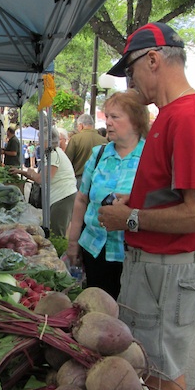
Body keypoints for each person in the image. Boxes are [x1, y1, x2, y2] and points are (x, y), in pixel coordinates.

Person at [97, 22, 195, 390]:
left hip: (166, 274)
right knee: (156, 371)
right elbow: (171, 197)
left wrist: (130, 217)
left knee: (162, 377)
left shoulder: (187, 116)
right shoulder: (172, 116)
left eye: (131, 70)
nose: (131, 81)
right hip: (154, 270)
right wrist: (132, 205)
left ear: (153, 59)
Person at [66, 92, 149, 299]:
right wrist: (73, 242)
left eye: (116, 117)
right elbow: (81, 199)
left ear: (136, 122)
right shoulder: (99, 155)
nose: (108, 122)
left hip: (132, 255)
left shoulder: (150, 157)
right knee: (97, 308)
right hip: (95, 249)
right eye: (107, 117)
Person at [11, 127, 77, 236]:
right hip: (61, 196)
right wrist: (21, 172)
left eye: (40, 139)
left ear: (47, 140)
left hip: (63, 196)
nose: (38, 142)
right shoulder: (52, 153)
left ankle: (58, 252)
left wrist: (31, 172)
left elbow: (43, 179)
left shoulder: (54, 154)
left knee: (56, 232)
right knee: (54, 229)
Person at [65, 113, 107, 188]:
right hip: (99, 181)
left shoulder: (75, 139)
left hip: (79, 180)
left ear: (81, 125)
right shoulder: (104, 141)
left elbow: (67, 161)